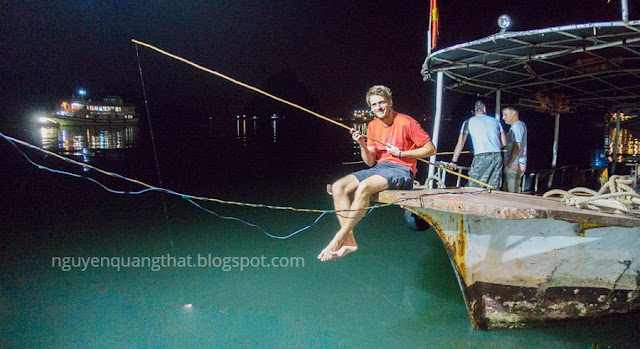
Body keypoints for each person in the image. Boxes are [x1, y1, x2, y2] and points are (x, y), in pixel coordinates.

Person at [318, 85, 436, 262]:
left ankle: (338, 237)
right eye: (374, 105)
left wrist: (402, 154)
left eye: (382, 103)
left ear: (390, 102)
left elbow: (431, 149)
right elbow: (370, 161)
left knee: (365, 186)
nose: (379, 107)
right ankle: (349, 239)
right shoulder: (372, 125)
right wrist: (362, 144)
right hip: (380, 168)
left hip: (402, 170)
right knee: (338, 186)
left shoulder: (407, 122)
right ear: (371, 107)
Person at [449, 101, 506, 189]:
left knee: (474, 186)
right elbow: (504, 142)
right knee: (493, 188)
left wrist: (454, 161)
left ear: (473, 112)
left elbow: (460, 143)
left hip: (482, 157)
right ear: (484, 109)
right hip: (497, 156)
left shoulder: (468, 122)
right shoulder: (496, 121)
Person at [501, 106, 527, 192]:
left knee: (513, 193)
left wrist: (510, 163)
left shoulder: (517, 126)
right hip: (515, 164)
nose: (503, 118)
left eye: (505, 115)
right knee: (507, 191)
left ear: (514, 114)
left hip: (515, 165)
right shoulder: (520, 125)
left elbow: (517, 146)